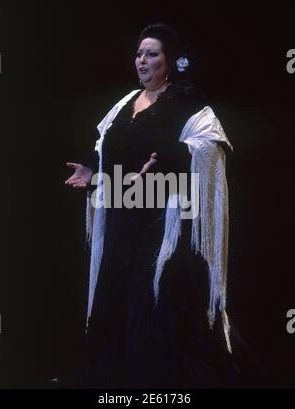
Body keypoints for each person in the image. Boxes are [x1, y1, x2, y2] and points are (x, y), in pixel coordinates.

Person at [64, 23, 261, 389]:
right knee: (116, 298)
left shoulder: (186, 105)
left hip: (162, 224)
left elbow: (210, 147)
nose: (142, 61)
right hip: (122, 217)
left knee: (154, 303)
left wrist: (167, 159)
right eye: (139, 53)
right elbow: (105, 146)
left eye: (152, 54)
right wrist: (91, 170)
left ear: (169, 61)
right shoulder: (125, 104)